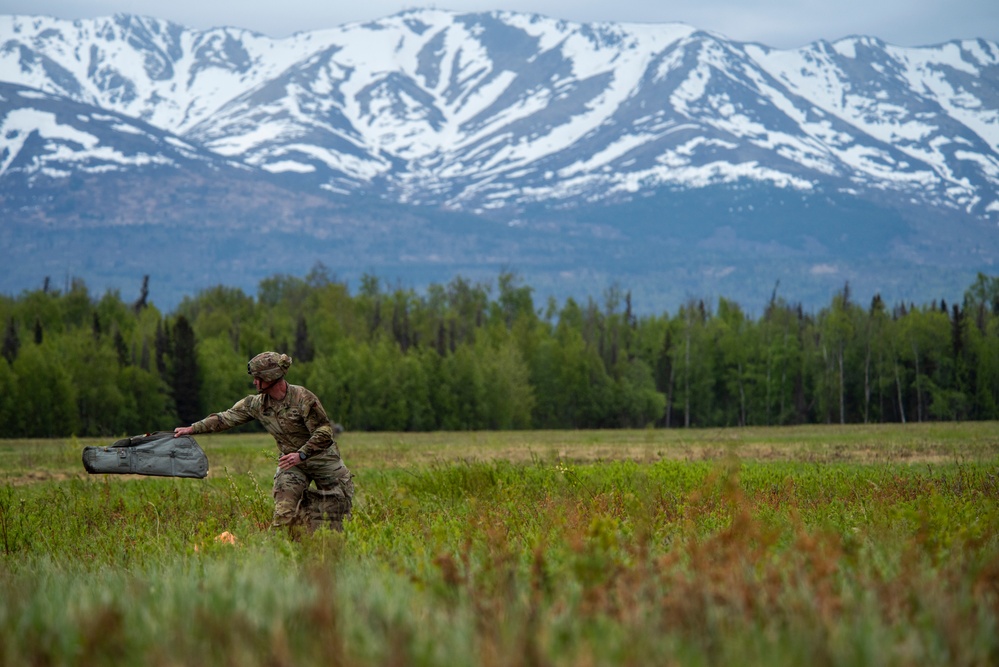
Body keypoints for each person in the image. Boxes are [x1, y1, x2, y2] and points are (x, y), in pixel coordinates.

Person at [174, 351, 353, 531]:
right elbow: (225, 418)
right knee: (283, 514)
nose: (254, 382)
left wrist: (302, 453)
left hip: (323, 462)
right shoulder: (256, 404)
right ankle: (275, 552)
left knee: (335, 522)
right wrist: (192, 428)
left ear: (271, 376)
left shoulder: (302, 398)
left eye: (258, 377)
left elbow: (324, 431)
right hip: (292, 464)